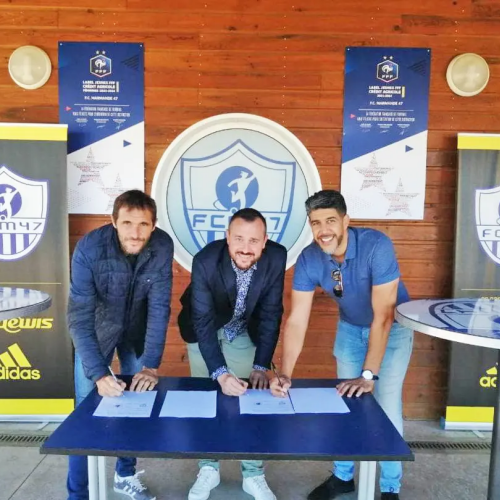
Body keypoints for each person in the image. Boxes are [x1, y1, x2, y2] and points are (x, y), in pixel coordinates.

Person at [270, 190, 413, 500]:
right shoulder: (309, 258)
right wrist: (285, 373)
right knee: (345, 404)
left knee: (386, 408)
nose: (323, 230)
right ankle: (343, 476)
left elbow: (383, 317)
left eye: (331, 221)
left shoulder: (376, 245)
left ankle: (390, 487)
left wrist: (368, 375)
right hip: (349, 329)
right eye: (316, 223)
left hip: (393, 330)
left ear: (346, 221)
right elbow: (297, 320)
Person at [67, 190, 173, 500]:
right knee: (83, 414)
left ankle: (125, 474)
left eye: (143, 224)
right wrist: (99, 373)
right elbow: (79, 317)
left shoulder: (162, 245)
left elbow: (159, 307)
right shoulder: (89, 248)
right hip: (97, 332)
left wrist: (151, 364)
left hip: (136, 333)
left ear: (153, 225)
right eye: (127, 223)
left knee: (135, 405)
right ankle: (78, 494)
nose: (135, 232)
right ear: (113, 221)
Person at [178, 208, 287, 500]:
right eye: (238, 239)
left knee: (251, 398)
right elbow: (202, 321)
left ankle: (253, 474)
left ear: (265, 241)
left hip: (243, 330)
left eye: (254, 240)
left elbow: (271, 314)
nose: (246, 248)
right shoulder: (205, 260)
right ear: (227, 237)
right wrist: (220, 373)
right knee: (204, 399)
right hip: (205, 328)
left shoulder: (276, 257)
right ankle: (208, 468)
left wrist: (261, 364)